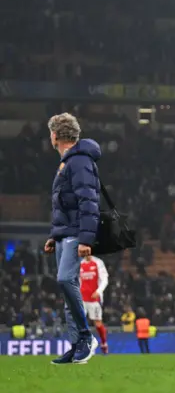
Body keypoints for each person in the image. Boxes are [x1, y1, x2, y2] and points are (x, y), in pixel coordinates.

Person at [44, 112, 100, 364]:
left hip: (76, 234)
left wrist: (86, 239)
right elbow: (65, 206)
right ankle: (76, 344)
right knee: (69, 290)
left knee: (65, 279)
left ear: (55, 135)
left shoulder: (78, 162)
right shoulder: (68, 162)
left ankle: (86, 337)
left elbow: (88, 201)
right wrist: (54, 236)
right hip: (65, 234)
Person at [80, 255, 109, 354]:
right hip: (82, 299)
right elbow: (77, 281)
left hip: (94, 299)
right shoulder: (80, 264)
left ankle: (104, 343)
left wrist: (99, 291)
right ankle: (86, 345)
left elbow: (105, 279)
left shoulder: (98, 262)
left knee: (98, 324)